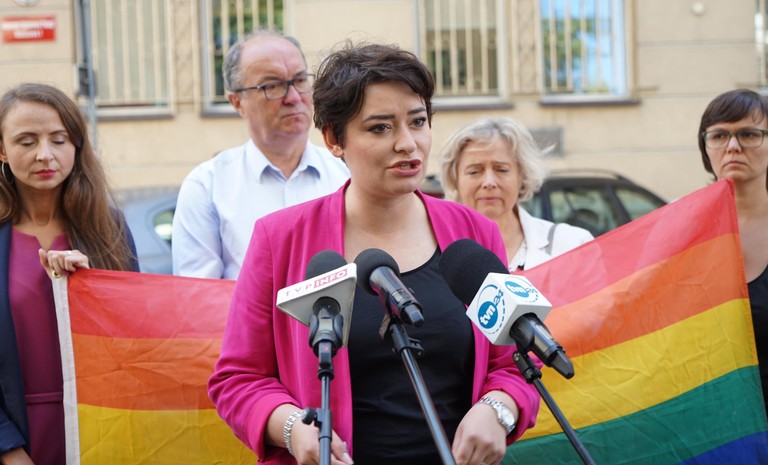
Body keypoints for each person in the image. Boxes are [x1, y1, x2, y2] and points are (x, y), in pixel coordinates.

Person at [208, 42, 540, 465]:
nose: (408, 143)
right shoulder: (280, 239)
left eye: (417, 121)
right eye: (380, 128)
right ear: (334, 139)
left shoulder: (475, 233)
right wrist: (292, 429)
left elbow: (515, 363)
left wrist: (498, 408)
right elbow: (238, 380)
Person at [0, 83, 139, 464]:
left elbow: (135, 344)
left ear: (76, 145)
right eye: (27, 141)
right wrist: (8, 450)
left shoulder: (109, 227)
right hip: (15, 434)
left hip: (101, 428)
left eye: (58, 140)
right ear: (2, 150)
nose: (45, 154)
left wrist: (93, 289)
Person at [172, 30, 349, 280]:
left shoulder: (347, 173)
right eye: (273, 86)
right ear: (237, 102)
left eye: (300, 80)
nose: (293, 97)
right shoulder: (207, 187)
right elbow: (199, 293)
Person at [440, 116, 593, 271]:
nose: (489, 182)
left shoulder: (574, 245)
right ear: (455, 179)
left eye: (502, 169)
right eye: (474, 171)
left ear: (522, 175)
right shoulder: (435, 253)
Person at [698, 88, 768, 410]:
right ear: (705, 147)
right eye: (719, 136)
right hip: (712, 419)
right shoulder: (681, 232)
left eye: (749, 134)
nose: (733, 146)